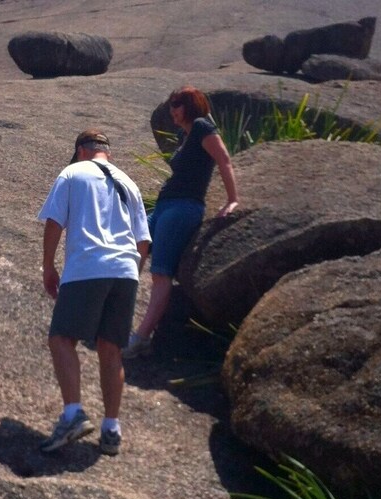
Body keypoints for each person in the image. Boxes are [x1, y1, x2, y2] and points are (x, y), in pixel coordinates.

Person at [38, 129, 151, 456]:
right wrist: (131, 274)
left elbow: (54, 223)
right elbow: (143, 242)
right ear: (107, 153)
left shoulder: (73, 172)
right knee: (110, 348)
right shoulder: (130, 183)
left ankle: (73, 414)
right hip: (126, 271)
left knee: (61, 338)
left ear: (80, 151)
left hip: (89, 264)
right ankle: (111, 429)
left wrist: (49, 267)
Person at [122, 86, 239, 358]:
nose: (172, 110)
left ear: (192, 104)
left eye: (178, 104)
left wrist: (232, 199)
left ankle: (140, 338)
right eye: (171, 105)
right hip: (164, 205)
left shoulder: (201, 127)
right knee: (130, 248)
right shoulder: (182, 135)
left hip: (184, 208)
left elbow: (224, 159)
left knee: (161, 272)